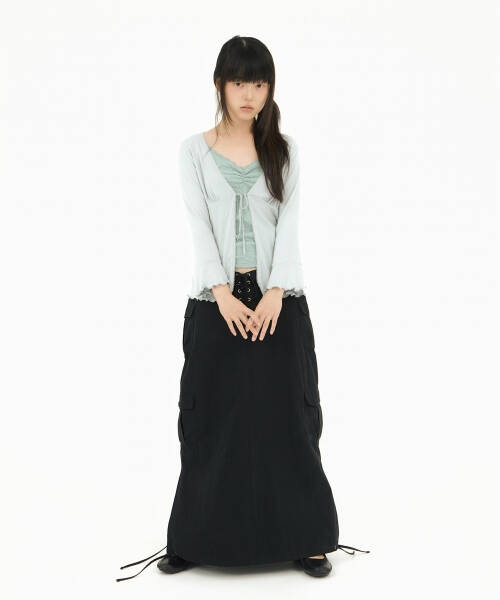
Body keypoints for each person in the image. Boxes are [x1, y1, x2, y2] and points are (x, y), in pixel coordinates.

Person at [116, 35, 369, 582]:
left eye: (259, 82)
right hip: (216, 301)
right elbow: (198, 227)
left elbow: (291, 225)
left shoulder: (285, 150)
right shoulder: (193, 151)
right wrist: (222, 293)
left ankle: (306, 539)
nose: (249, 93)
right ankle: (193, 539)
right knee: (208, 419)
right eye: (238, 82)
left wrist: (275, 291)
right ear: (219, 85)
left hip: (280, 300)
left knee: (290, 419)